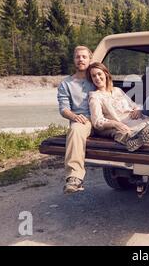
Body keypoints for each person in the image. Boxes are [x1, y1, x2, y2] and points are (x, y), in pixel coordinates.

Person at [57, 46, 96, 194]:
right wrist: (74, 117)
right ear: (74, 60)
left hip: (102, 118)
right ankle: (74, 177)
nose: (81, 59)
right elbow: (64, 109)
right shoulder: (66, 84)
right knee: (75, 128)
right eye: (78, 57)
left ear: (90, 59)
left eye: (84, 57)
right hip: (83, 121)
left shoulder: (96, 77)